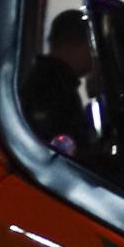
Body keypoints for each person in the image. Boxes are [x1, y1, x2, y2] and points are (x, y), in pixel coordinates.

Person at [21, 9, 94, 154]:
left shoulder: (55, 81)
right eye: (90, 46)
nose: (93, 55)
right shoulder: (52, 87)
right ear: (75, 43)